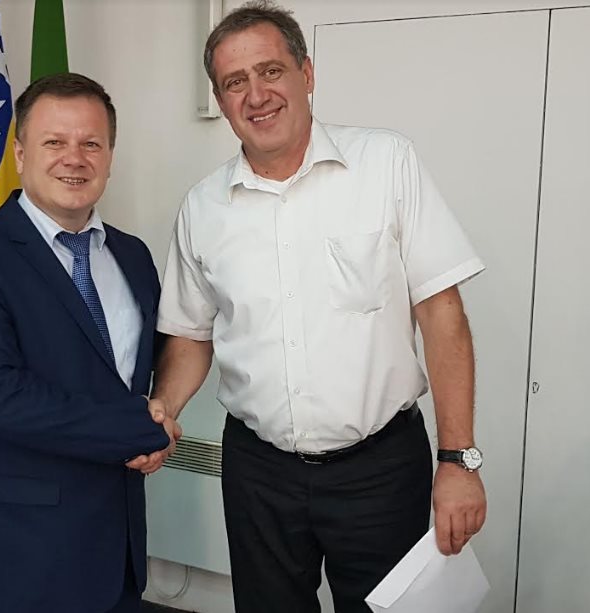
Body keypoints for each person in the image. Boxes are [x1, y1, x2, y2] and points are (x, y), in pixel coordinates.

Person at [150, 2, 488, 611]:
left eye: (270, 71)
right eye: (235, 82)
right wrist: (164, 409)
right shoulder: (202, 208)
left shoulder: (386, 164)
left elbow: (443, 316)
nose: (257, 95)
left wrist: (458, 460)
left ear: (306, 73)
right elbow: (191, 335)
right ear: (221, 101)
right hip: (259, 474)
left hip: (381, 469)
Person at [0, 72, 178, 613]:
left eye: (91, 144)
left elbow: (137, 369)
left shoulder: (133, 256)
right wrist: (138, 428)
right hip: (20, 559)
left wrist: (162, 413)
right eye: (54, 142)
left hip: (117, 553)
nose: (74, 159)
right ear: (20, 154)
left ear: (110, 156)